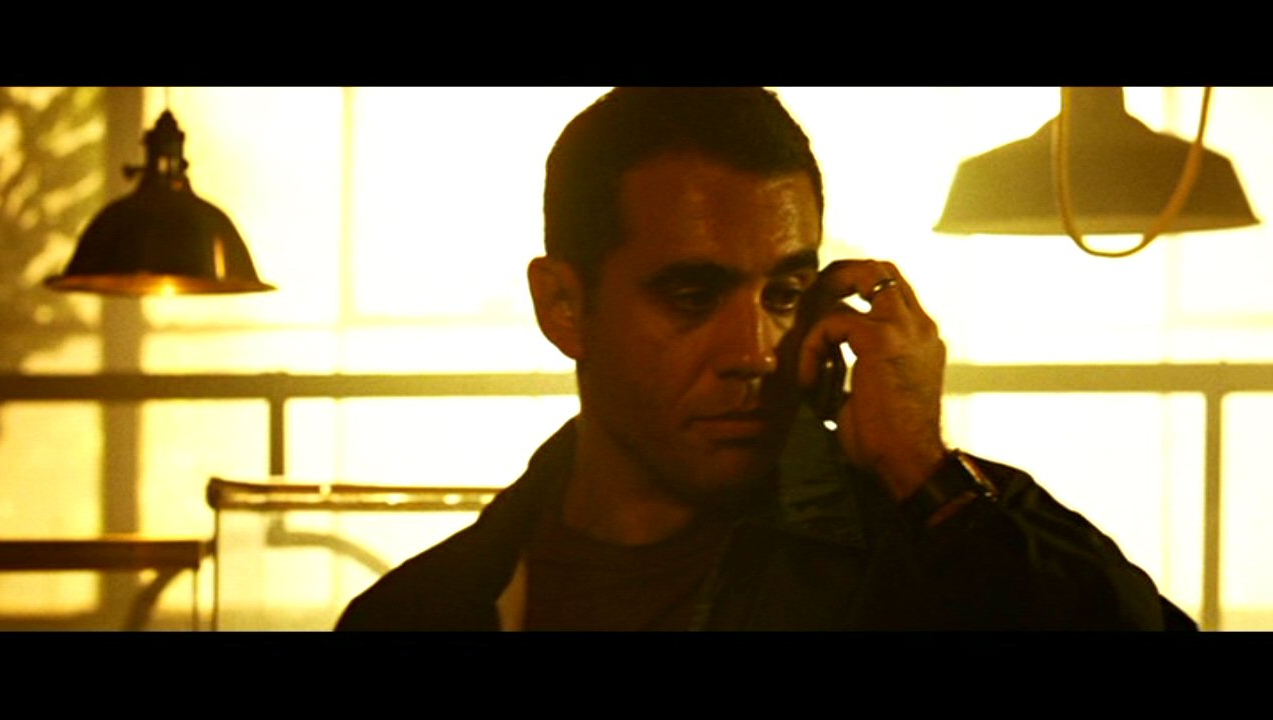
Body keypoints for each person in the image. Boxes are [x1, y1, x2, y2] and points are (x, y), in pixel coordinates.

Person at [336, 87, 1195, 631]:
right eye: (690, 295)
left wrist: (925, 476)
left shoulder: (937, 529)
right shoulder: (427, 611)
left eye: (785, 293)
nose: (754, 352)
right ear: (564, 306)